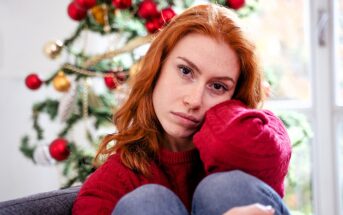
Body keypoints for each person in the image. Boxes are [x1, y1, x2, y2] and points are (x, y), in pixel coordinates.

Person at [72, 3, 291, 215]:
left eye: (218, 86)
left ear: (235, 96)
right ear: (157, 66)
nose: (194, 100)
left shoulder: (240, 152)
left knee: (222, 189)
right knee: (146, 203)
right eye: (185, 71)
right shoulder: (110, 186)